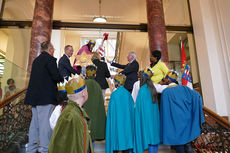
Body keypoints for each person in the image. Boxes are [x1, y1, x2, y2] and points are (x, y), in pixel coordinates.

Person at [24, 41, 64, 153]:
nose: (54, 51)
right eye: (53, 49)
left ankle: (31, 148)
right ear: (50, 49)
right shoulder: (50, 60)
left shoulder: (36, 60)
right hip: (45, 97)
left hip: (34, 97)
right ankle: (45, 149)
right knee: (45, 124)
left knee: (34, 124)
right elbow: (55, 76)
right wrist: (62, 77)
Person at [160, 71, 205, 153]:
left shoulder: (166, 92)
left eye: (166, 78)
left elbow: (165, 111)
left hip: (174, 121)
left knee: (178, 143)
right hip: (185, 117)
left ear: (169, 80)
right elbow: (197, 96)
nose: (165, 80)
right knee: (186, 139)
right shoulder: (184, 88)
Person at [48, 76, 94, 153]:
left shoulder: (75, 112)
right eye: (87, 90)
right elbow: (60, 146)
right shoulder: (70, 115)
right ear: (83, 93)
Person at [106, 74, 134, 153]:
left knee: (115, 142)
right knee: (126, 144)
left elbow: (111, 112)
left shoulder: (114, 95)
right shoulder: (128, 94)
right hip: (127, 125)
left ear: (116, 82)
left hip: (117, 124)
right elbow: (132, 111)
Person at [134, 68, 160, 153]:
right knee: (153, 138)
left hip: (145, 120)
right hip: (153, 121)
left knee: (147, 137)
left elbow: (137, 105)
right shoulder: (152, 88)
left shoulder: (143, 90)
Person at [83, 65, 106, 144]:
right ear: (95, 75)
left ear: (85, 74)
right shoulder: (97, 86)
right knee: (91, 141)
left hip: (84, 119)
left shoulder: (82, 85)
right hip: (94, 120)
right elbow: (101, 105)